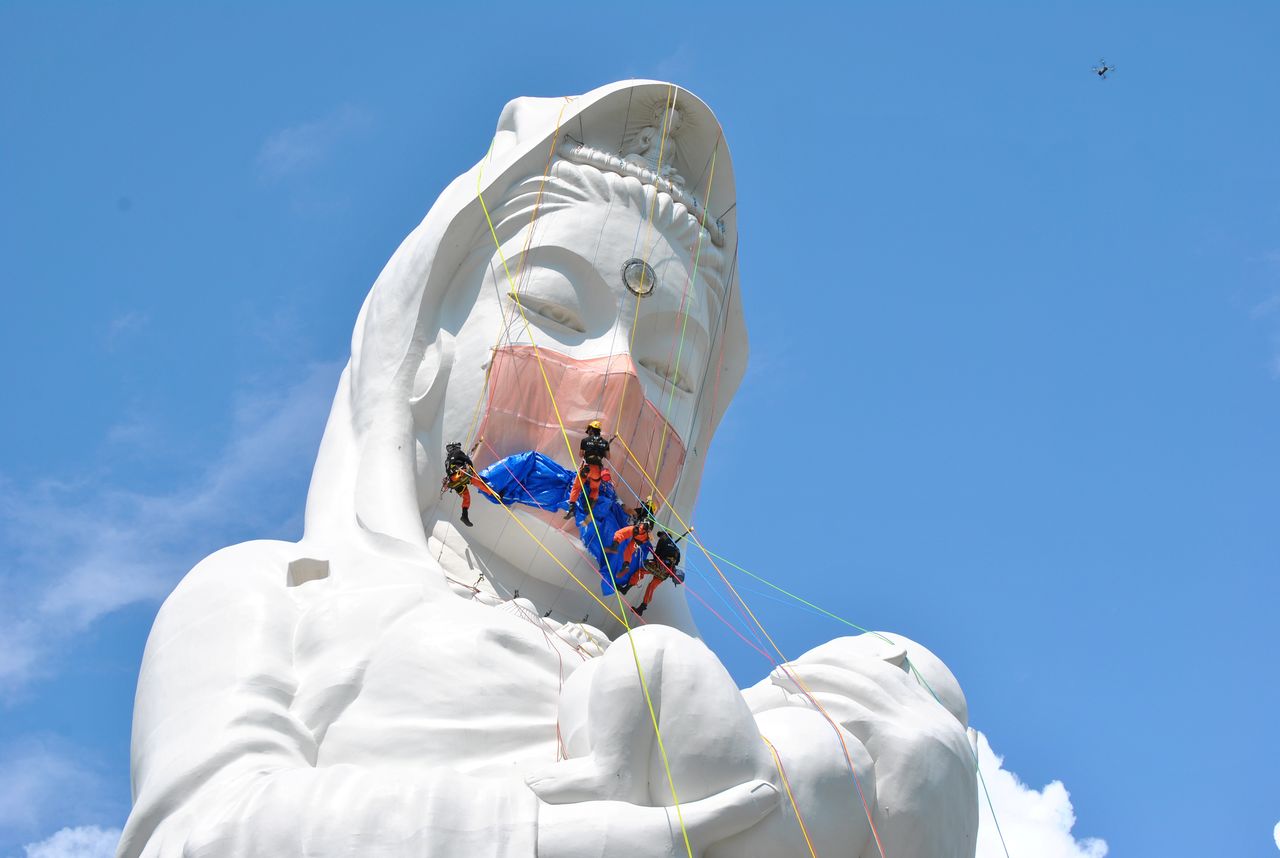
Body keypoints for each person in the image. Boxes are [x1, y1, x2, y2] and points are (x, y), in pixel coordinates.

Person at [625, 529, 685, 616]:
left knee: (642, 570)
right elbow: (677, 561)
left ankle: (627, 587)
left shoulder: (663, 540)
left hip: (660, 565)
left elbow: (657, 554)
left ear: (665, 535)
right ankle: (642, 607)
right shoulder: (676, 548)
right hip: (666, 573)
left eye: (661, 535)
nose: (660, 536)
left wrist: (656, 558)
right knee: (651, 587)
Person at [565, 420, 612, 516]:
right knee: (594, 489)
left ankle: (571, 508)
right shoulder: (605, 443)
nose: (588, 432)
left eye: (589, 430)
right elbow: (608, 457)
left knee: (577, 486)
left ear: (591, 429)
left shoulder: (585, 441)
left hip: (586, 468)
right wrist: (602, 449)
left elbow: (581, 455)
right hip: (597, 471)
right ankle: (588, 507)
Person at [441, 441, 491, 527]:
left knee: (466, 497)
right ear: (454, 447)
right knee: (478, 482)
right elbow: (468, 461)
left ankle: (464, 515)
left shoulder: (447, 460)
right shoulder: (458, 452)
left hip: (454, 482)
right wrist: (471, 469)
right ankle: (493, 493)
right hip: (461, 474)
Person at [611, 500, 656, 587]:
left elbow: (631, 511)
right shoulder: (653, 519)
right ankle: (626, 564)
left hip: (640, 530)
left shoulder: (646, 509)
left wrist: (621, 504)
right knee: (629, 551)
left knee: (621, 533)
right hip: (642, 539)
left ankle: (615, 545)